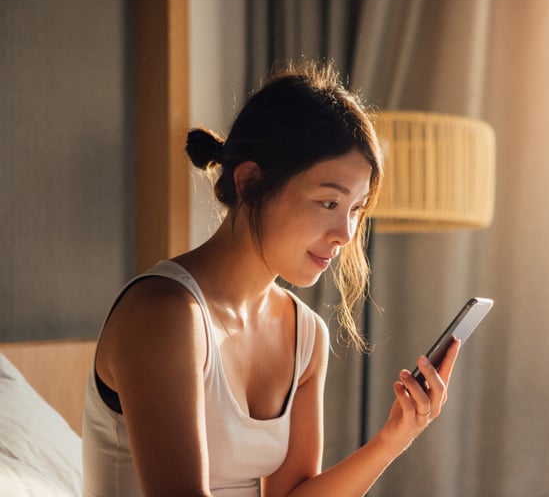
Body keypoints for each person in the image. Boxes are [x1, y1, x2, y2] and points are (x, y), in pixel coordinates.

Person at [81, 60, 461, 497]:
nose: (345, 235)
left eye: (356, 209)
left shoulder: (305, 335)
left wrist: (395, 437)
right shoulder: (164, 316)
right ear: (249, 183)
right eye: (328, 203)